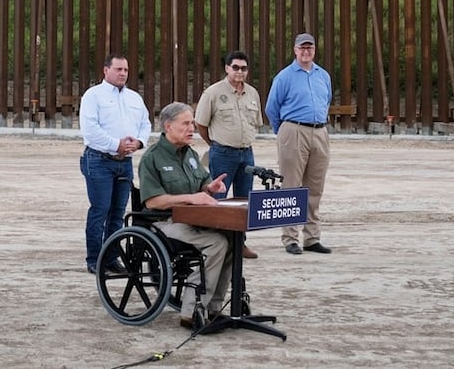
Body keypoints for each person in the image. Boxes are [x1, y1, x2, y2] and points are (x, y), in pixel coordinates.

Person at [138, 102, 231, 329]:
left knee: (232, 241)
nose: (192, 128)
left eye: (192, 123)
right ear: (168, 126)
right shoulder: (152, 158)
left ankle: (213, 307)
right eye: (186, 123)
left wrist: (210, 188)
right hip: (163, 221)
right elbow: (153, 201)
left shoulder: (189, 153)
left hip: (193, 218)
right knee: (217, 243)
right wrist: (191, 198)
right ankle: (190, 310)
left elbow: (202, 183)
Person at [78, 54, 151, 274]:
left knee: (118, 213)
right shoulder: (93, 96)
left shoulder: (134, 98)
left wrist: (138, 143)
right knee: (100, 210)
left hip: (125, 162)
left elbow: (145, 124)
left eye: (126, 70)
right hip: (99, 159)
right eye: (118, 69)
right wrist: (115, 144)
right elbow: (90, 129)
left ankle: (111, 257)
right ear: (105, 70)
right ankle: (94, 259)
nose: (122, 74)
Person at [264, 32, 333, 255]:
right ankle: (290, 237)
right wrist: (284, 131)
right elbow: (272, 107)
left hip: (319, 131)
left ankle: (312, 237)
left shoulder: (323, 75)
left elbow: (327, 101)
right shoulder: (284, 77)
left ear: (314, 50)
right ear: (295, 50)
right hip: (294, 129)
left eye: (309, 48)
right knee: (291, 186)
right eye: (302, 48)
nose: (306, 51)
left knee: (315, 187)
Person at [194, 49, 263, 260]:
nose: (239, 72)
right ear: (226, 68)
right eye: (235, 67)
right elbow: (201, 124)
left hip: (246, 153)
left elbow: (257, 122)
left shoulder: (252, 93)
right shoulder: (213, 93)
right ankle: (216, 246)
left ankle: (239, 244)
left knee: (244, 202)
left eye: (243, 68)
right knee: (219, 200)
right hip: (222, 153)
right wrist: (215, 144)